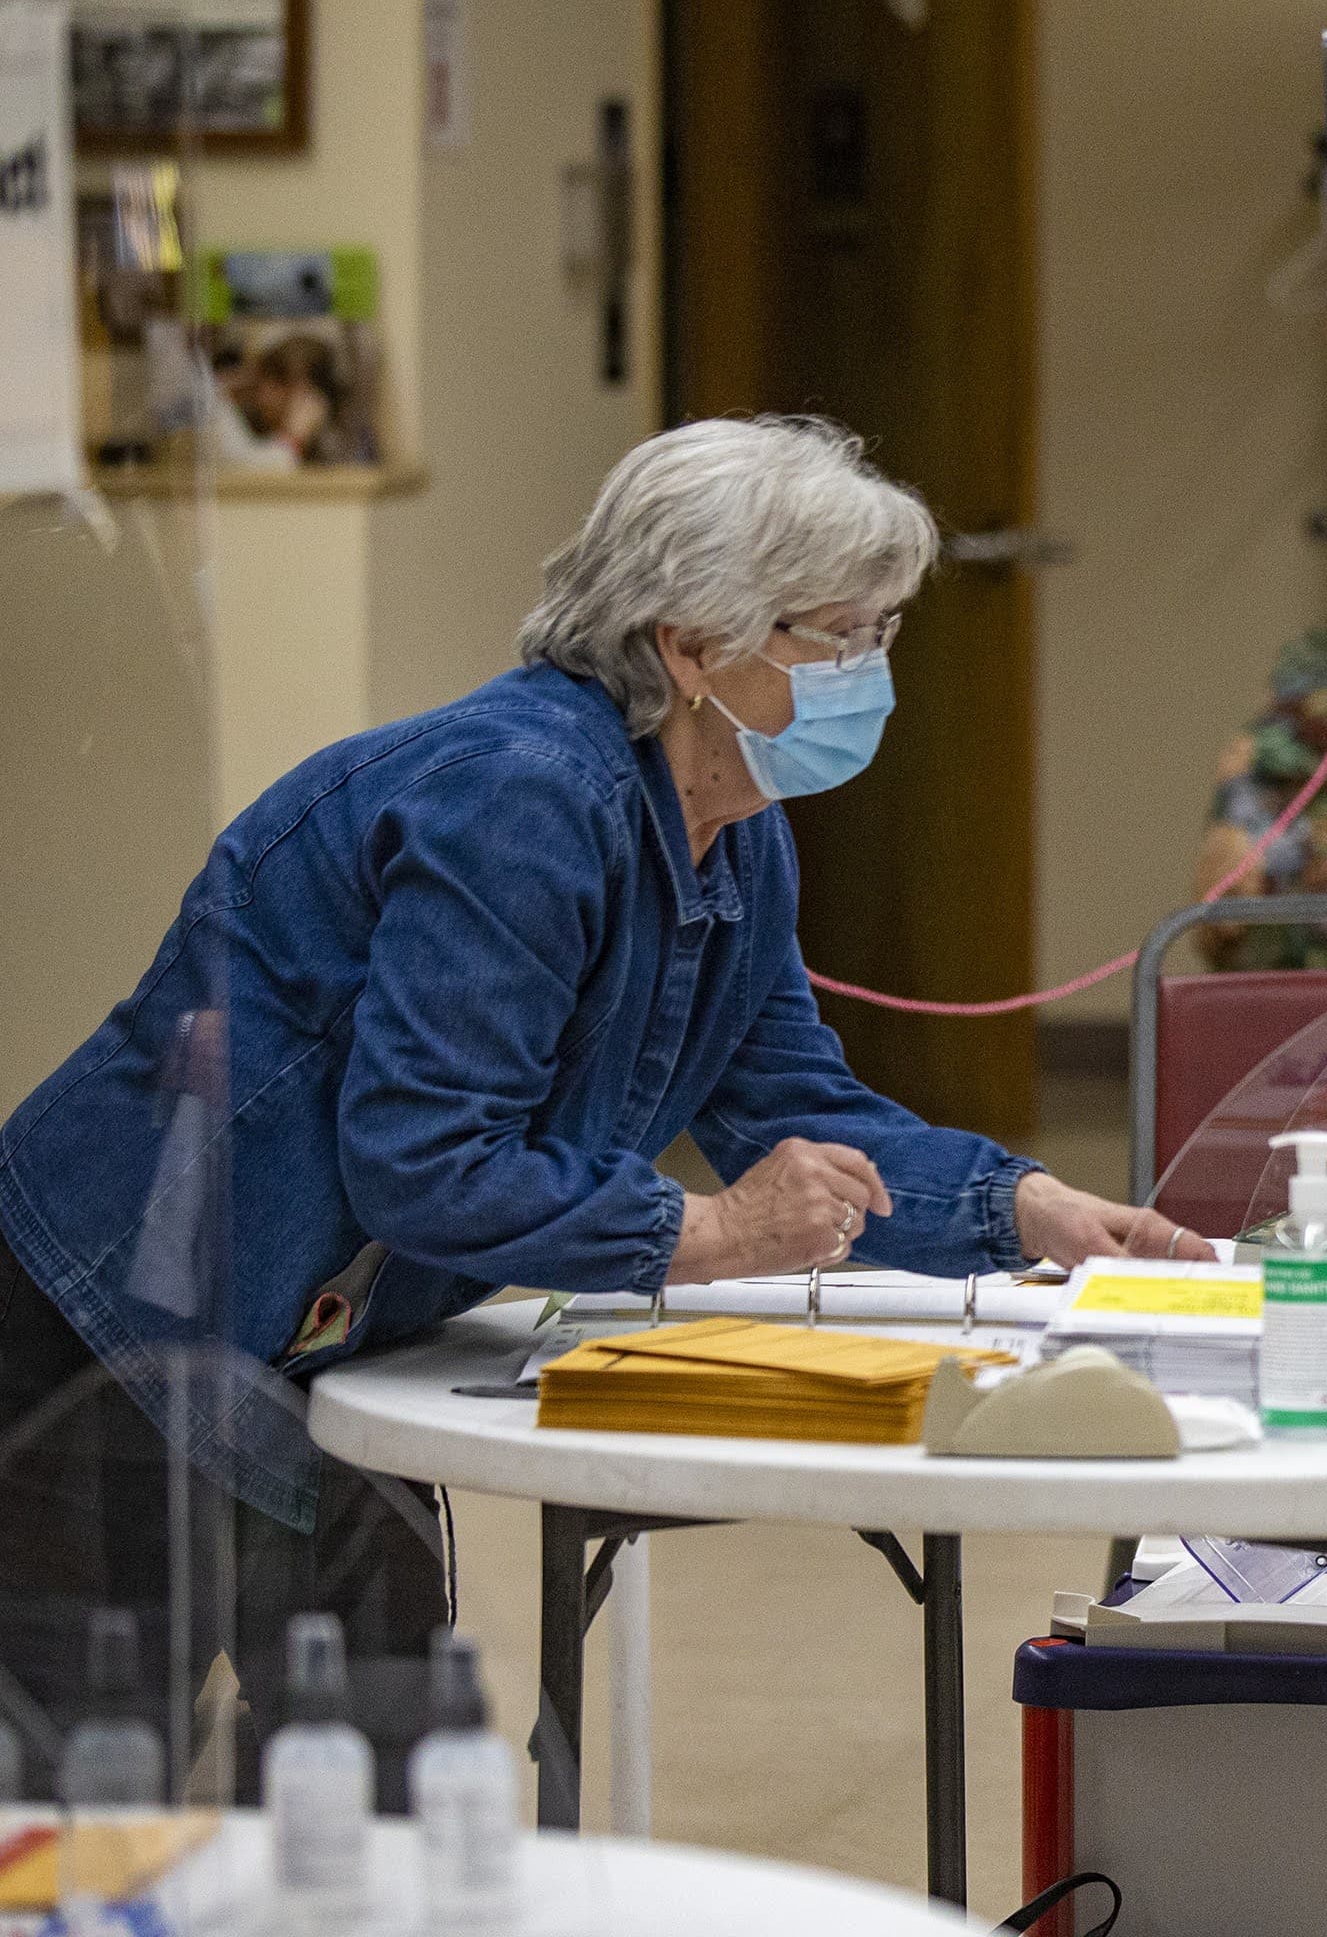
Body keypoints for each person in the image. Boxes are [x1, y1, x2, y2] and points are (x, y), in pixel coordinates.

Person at [0, 415, 1204, 1797]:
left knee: (370, 1750)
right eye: (840, 636)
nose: (873, 673)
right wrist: (706, 1234)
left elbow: (794, 1105)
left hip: (309, 1332)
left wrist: (1023, 1207)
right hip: (109, 1315)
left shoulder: (735, 831)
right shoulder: (524, 796)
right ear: (689, 644)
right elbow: (425, 1158)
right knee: (92, 1777)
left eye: (885, 632)